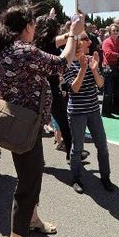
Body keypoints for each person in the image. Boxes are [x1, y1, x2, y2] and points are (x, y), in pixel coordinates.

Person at [0, 3, 83, 237]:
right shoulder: (23, 50)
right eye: (33, 25)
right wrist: (75, 35)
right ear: (28, 27)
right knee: (28, 184)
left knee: (34, 176)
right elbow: (60, 64)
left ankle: (32, 219)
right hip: (25, 127)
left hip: (24, 126)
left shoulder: (8, 49)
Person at [64, 32, 115, 194]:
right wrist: (83, 69)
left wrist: (94, 69)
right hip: (77, 113)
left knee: (102, 146)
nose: (90, 41)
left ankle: (105, 176)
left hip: (93, 110)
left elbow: (100, 84)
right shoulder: (68, 62)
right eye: (86, 38)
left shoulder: (91, 59)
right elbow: (74, 89)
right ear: (77, 42)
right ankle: (76, 178)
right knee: (77, 148)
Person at [33, 13, 75, 162]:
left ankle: (38, 159)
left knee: (37, 127)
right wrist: (75, 27)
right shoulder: (52, 41)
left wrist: (49, 17)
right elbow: (68, 37)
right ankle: (71, 153)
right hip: (51, 89)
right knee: (64, 123)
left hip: (37, 90)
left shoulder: (33, 43)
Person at [101, 24, 119, 117]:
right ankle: (106, 112)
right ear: (110, 32)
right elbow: (108, 54)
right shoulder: (106, 42)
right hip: (108, 68)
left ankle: (115, 109)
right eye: (113, 30)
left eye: (117, 30)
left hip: (118, 68)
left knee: (118, 91)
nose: (115, 32)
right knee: (108, 91)